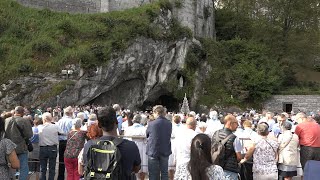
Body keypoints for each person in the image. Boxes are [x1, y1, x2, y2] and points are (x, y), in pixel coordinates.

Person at [80, 106, 141, 179]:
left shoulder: (89, 145)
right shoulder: (130, 146)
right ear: (116, 122)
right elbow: (136, 169)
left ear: (99, 125)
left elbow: (85, 167)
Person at [4, 106, 33, 180]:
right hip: (21, 148)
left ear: (15, 112)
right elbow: (29, 134)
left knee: (9, 167)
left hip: (9, 148)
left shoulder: (6, 120)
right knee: (23, 167)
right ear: (22, 112)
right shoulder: (24, 121)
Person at [211, 115, 242, 180]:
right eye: (236, 123)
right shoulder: (234, 138)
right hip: (230, 171)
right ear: (230, 123)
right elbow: (239, 157)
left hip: (215, 168)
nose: (238, 125)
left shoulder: (215, 134)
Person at [146, 105, 172, 179]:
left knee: (153, 174)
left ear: (156, 112)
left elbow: (147, 134)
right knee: (164, 173)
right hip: (165, 150)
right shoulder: (169, 123)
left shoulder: (151, 124)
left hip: (153, 151)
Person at [38, 112, 64, 180]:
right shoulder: (55, 126)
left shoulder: (40, 127)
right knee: (52, 168)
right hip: (52, 148)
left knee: (42, 168)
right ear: (51, 118)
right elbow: (62, 132)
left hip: (43, 148)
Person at [125, 114, 147, 180]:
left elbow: (126, 139)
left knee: (133, 163)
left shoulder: (128, 129)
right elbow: (146, 140)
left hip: (131, 147)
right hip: (141, 147)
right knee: (142, 163)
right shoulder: (144, 129)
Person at [56, 106, 73, 180]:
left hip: (61, 142)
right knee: (70, 160)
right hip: (69, 141)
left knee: (61, 160)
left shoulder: (60, 121)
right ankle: (70, 176)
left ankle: (60, 177)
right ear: (71, 113)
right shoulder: (71, 121)